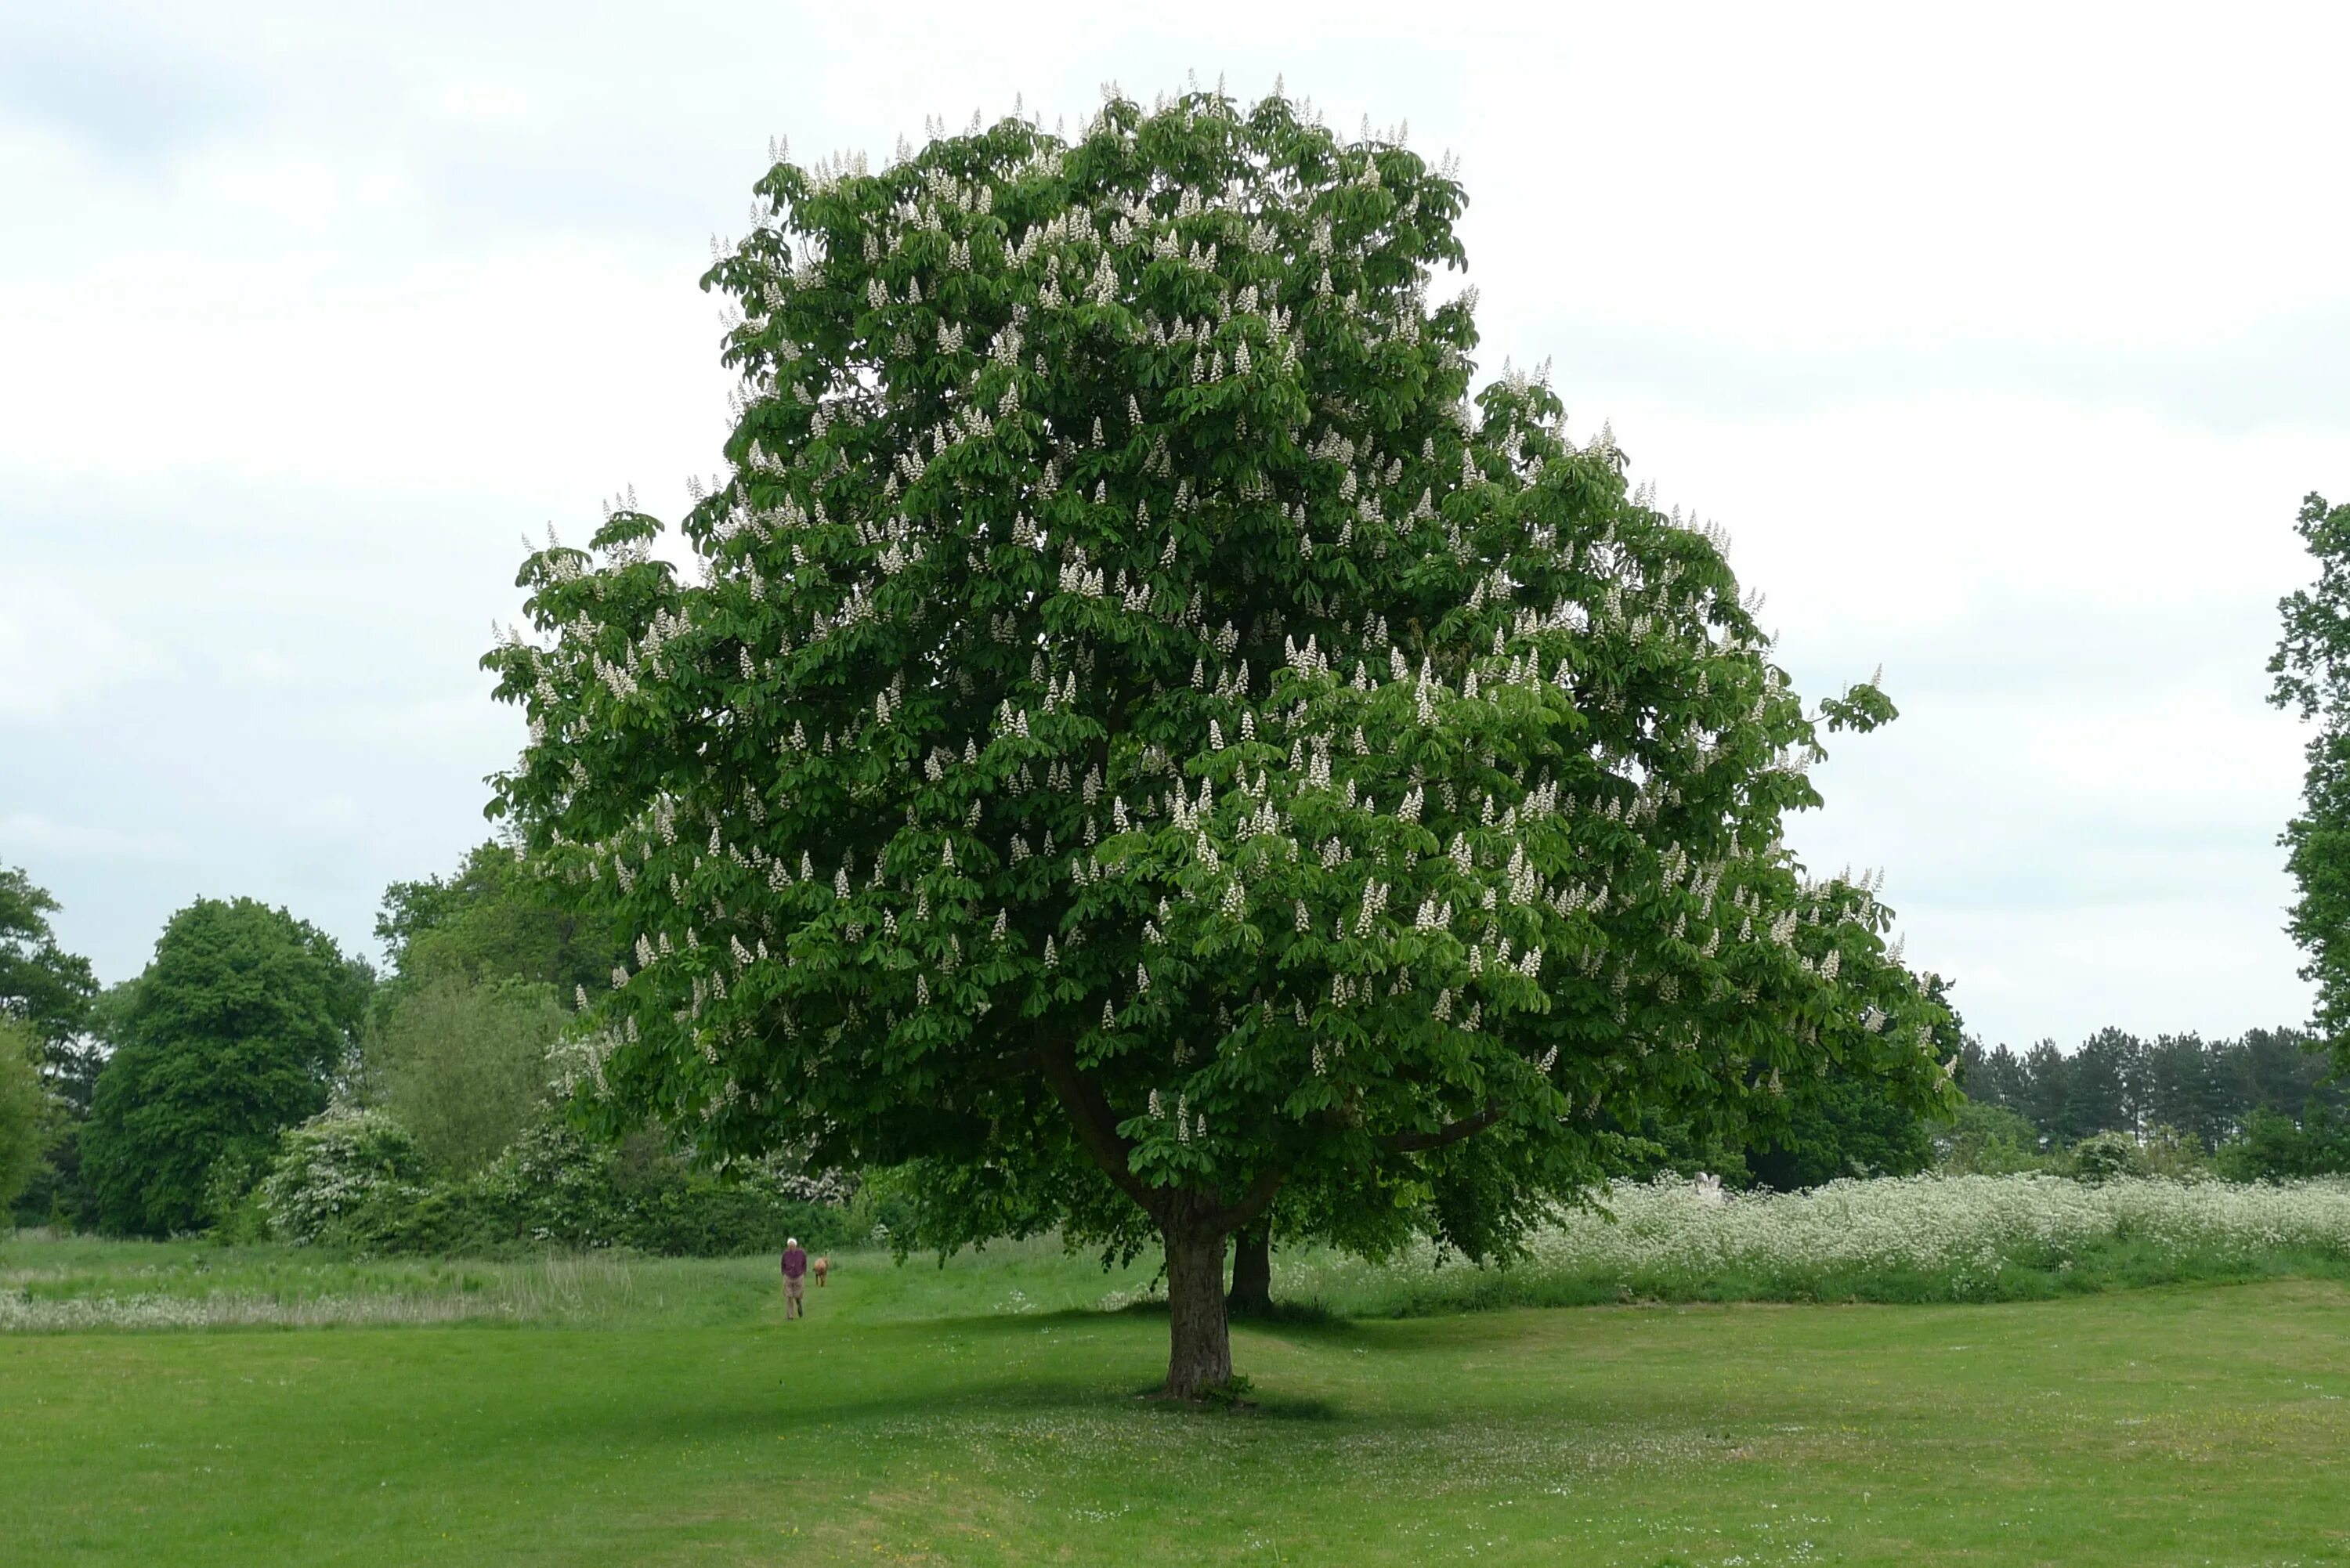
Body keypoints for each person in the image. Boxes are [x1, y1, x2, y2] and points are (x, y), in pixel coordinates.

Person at [781, 1237, 808, 1319]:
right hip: (788, 1277)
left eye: (792, 1246)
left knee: (797, 1296)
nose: (791, 1248)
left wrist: (803, 1272)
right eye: (789, 1246)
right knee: (789, 1296)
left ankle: (799, 1307)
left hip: (799, 1276)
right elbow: (782, 1265)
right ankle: (790, 1316)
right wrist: (784, 1273)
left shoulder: (801, 1253)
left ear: (796, 1246)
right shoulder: (785, 1254)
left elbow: (804, 1263)